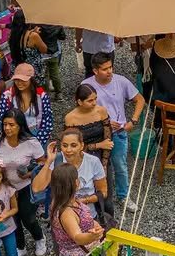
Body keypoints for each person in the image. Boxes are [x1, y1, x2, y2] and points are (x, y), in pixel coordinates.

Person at [82, 51, 145, 212]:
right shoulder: (86, 86)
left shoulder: (121, 81)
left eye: (110, 67)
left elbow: (140, 99)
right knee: (97, 167)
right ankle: (99, 196)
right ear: (95, 70)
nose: (109, 71)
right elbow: (82, 110)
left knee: (120, 166)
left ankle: (123, 196)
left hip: (118, 133)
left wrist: (133, 120)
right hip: (96, 134)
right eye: (105, 69)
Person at [0, 110, 47, 255]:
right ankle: (20, 246)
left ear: (20, 126)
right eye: (5, 124)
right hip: (7, 186)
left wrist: (29, 174)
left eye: (11, 125)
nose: (7, 128)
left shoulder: (31, 142)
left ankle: (39, 237)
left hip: (26, 186)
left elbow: (43, 163)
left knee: (28, 217)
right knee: (13, 218)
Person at [32, 127, 109, 220]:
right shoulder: (57, 160)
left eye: (73, 145)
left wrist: (82, 201)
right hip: (62, 217)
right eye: (65, 145)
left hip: (87, 215)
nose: (68, 150)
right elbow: (36, 188)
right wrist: (48, 161)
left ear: (81, 145)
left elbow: (103, 192)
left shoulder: (93, 162)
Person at [0, 62, 53, 147]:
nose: (19, 83)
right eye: (17, 80)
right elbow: (2, 120)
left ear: (31, 79)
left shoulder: (42, 96)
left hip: (38, 139)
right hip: (14, 140)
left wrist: (36, 143)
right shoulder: (7, 96)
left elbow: (47, 123)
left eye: (23, 80)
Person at [63, 83, 114, 162]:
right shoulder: (70, 118)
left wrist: (104, 163)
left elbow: (108, 140)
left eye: (95, 99)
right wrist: (98, 145)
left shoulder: (101, 111)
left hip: (102, 154)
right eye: (90, 101)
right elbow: (70, 145)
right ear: (80, 102)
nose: (94, 103)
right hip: (80, 157)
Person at [10, 11, 48, 79]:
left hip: (17, 69)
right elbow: (44, 50)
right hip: (32, 70)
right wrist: (37, 35)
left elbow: (21, 36)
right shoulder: (33, 36)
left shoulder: (11, 35)